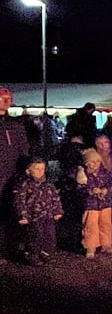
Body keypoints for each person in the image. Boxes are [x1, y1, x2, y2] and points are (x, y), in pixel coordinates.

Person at [14, 157, 63, 265]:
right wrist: (23, 216)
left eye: (42, 168)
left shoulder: (48, 184)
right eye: (37, 169)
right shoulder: (24, 185)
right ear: (28, 171)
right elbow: (20, 201)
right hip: (34, 217)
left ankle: (46, 254)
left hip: (48, 215)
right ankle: (33, 255)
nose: (40, 171)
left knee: (50, 235)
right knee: (36, 236)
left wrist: (57, 211)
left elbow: (55, 198)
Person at [0, 86, 31, 258]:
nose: (7, 101)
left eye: (9, 98)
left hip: (11, 174)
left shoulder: (15, 125)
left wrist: (27, 167)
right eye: (3, 98)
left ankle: (8, 248)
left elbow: (23, 150)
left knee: (11, 211)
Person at [76, 148, 112, 258]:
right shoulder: (83, 175)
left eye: (97, 161)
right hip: (91, 205)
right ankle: (90, 247)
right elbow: (81, 189)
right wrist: (91, 190)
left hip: (105, 204)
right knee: (91, 226)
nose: (95, 164)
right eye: (92, 162)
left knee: (106, 224)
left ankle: (106, 244)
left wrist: (106, 190)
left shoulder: (105, 172)